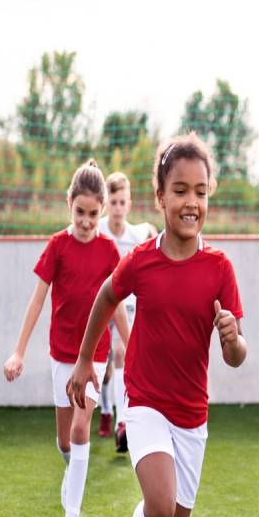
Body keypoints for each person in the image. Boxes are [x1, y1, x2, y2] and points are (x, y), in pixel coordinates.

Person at [68, 133, 247, 517]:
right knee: (160, 506)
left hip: (193, 415)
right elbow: (105, 297)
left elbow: (237, 357)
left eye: (200, 191)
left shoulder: (219, 269)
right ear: (160, 198)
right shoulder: (141, 262)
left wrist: (232, 336)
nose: (191, 202)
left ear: (209, 195)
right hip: (144, 402)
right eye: (179, 190)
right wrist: (83, 364)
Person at [3, 160, 129, 517]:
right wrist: (18, 351)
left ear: (103, 211)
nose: (87, 221)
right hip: (61, 357)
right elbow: (37, 300)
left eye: (94, 214)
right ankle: (71, 471)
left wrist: (136, 347)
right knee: (64, 442)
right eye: (80, 212)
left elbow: (120, 308)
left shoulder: (111, 252)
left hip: (94, 357)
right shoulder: (57, 246)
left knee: (80, 430)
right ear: (69, 205)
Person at [96, 172, 156, 451]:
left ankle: (122, 424)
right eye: (114, 202)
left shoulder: (137, 234)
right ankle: (106, 409)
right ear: (106, 204)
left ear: (129, 204)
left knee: (121, 354)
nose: (118, 208)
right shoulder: (97, 230)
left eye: (123, 202)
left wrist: (154, 233)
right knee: (104, 371)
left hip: (127, 308)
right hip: (101, 305)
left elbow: (151, 232)